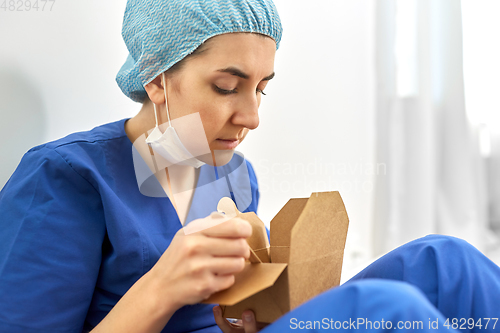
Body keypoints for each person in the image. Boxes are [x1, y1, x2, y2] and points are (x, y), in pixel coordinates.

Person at [0, 0, 499, 332]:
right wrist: (162, 287)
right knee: (389, 312)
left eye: (262, 88)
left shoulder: (233, 175)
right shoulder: (63, 180)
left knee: (447, 263)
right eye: (226, 87)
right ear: (155, 77)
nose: (252, 117)